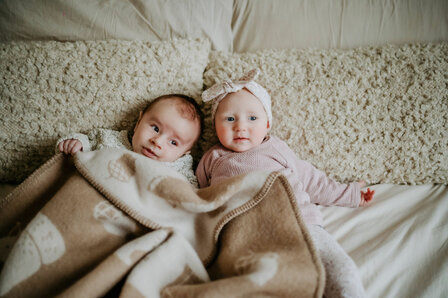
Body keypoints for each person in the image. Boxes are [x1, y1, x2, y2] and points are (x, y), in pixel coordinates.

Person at [196, 69, 375, 298]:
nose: (241, 127)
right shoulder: (212, 159)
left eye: (252, 118)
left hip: (300, 223)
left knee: (341, 272)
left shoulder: (275, 148)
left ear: (268, 124)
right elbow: (197, 197)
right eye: (230, 119)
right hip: (245, 235)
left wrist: (351, 195)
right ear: (215, 124)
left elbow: (312, 180)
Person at [57, 94, 203, 186]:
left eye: (173, 142)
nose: (157, 142)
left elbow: (190, 196)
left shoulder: (180, 172)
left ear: (184, 153)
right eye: (155, 128)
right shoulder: (111, 140)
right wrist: (77, 143)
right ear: (138, 122)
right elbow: (88, 142)